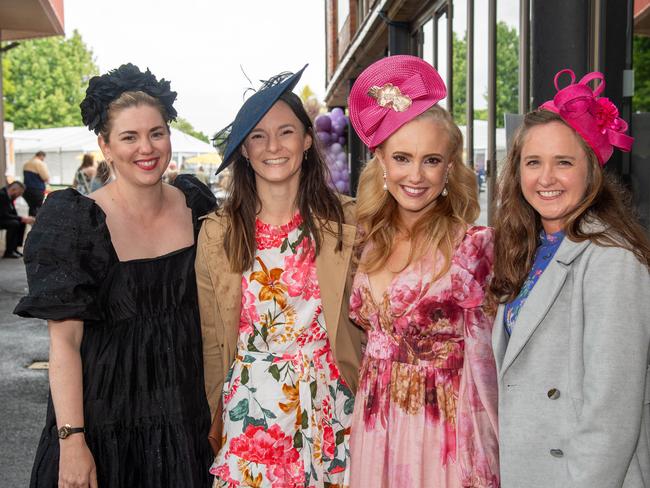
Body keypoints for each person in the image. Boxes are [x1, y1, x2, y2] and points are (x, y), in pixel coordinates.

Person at [15, 63, 215, 488]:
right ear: (105, 146)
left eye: (156, 132)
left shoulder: (197, 207)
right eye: (130, 136)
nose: (147, 147)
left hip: (187, 420)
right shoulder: (75, 223)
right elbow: (64, 343)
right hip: (104, 426)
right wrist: (72, 442)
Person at [197, 65, 363, 487]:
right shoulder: (218, 231)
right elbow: (212, 336)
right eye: (258, 136)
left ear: (307, 140)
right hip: (252, 410)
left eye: (286, 132)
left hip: (333, 401)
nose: (273, 146)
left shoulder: (348, 219)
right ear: (244, 150)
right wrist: (214, 416)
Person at [489, 69, 650, 488]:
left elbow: (612, 413)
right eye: (533, 163)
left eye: (564, 162)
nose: (546, 178)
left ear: (591, 170)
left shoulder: (612, 258)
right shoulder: (530, 247)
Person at [347, 55, 500, 487]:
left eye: (431, 160)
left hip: (443, 434)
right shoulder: (365, 239)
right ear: (380, 161)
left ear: (450, 167)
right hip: (375, 425)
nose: (416, 175)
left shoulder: (473, 247)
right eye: (402, 157)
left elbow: (491, 365)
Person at [0, 181, 34, 258]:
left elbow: (13, 213)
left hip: (3, 218)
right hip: (1, 218)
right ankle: (8, 252)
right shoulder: (2, 195)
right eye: (19, 193)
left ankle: (14, 249)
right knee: (14, 223)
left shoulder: (10, 196)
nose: (20, 195)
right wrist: (21, 218)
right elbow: (3, 214)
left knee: (21, 222)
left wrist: (23, 219)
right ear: (13, 189)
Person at [22, 150, 49, 216]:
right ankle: (37, 224)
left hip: (26, 190)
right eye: (43, 158)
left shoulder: (26, 163)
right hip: (37, 190)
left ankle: (31, 222)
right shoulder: (39, 163)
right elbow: (45, 177)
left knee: (31, 208)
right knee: (38, 208)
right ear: (41, 156)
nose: (43, 159)